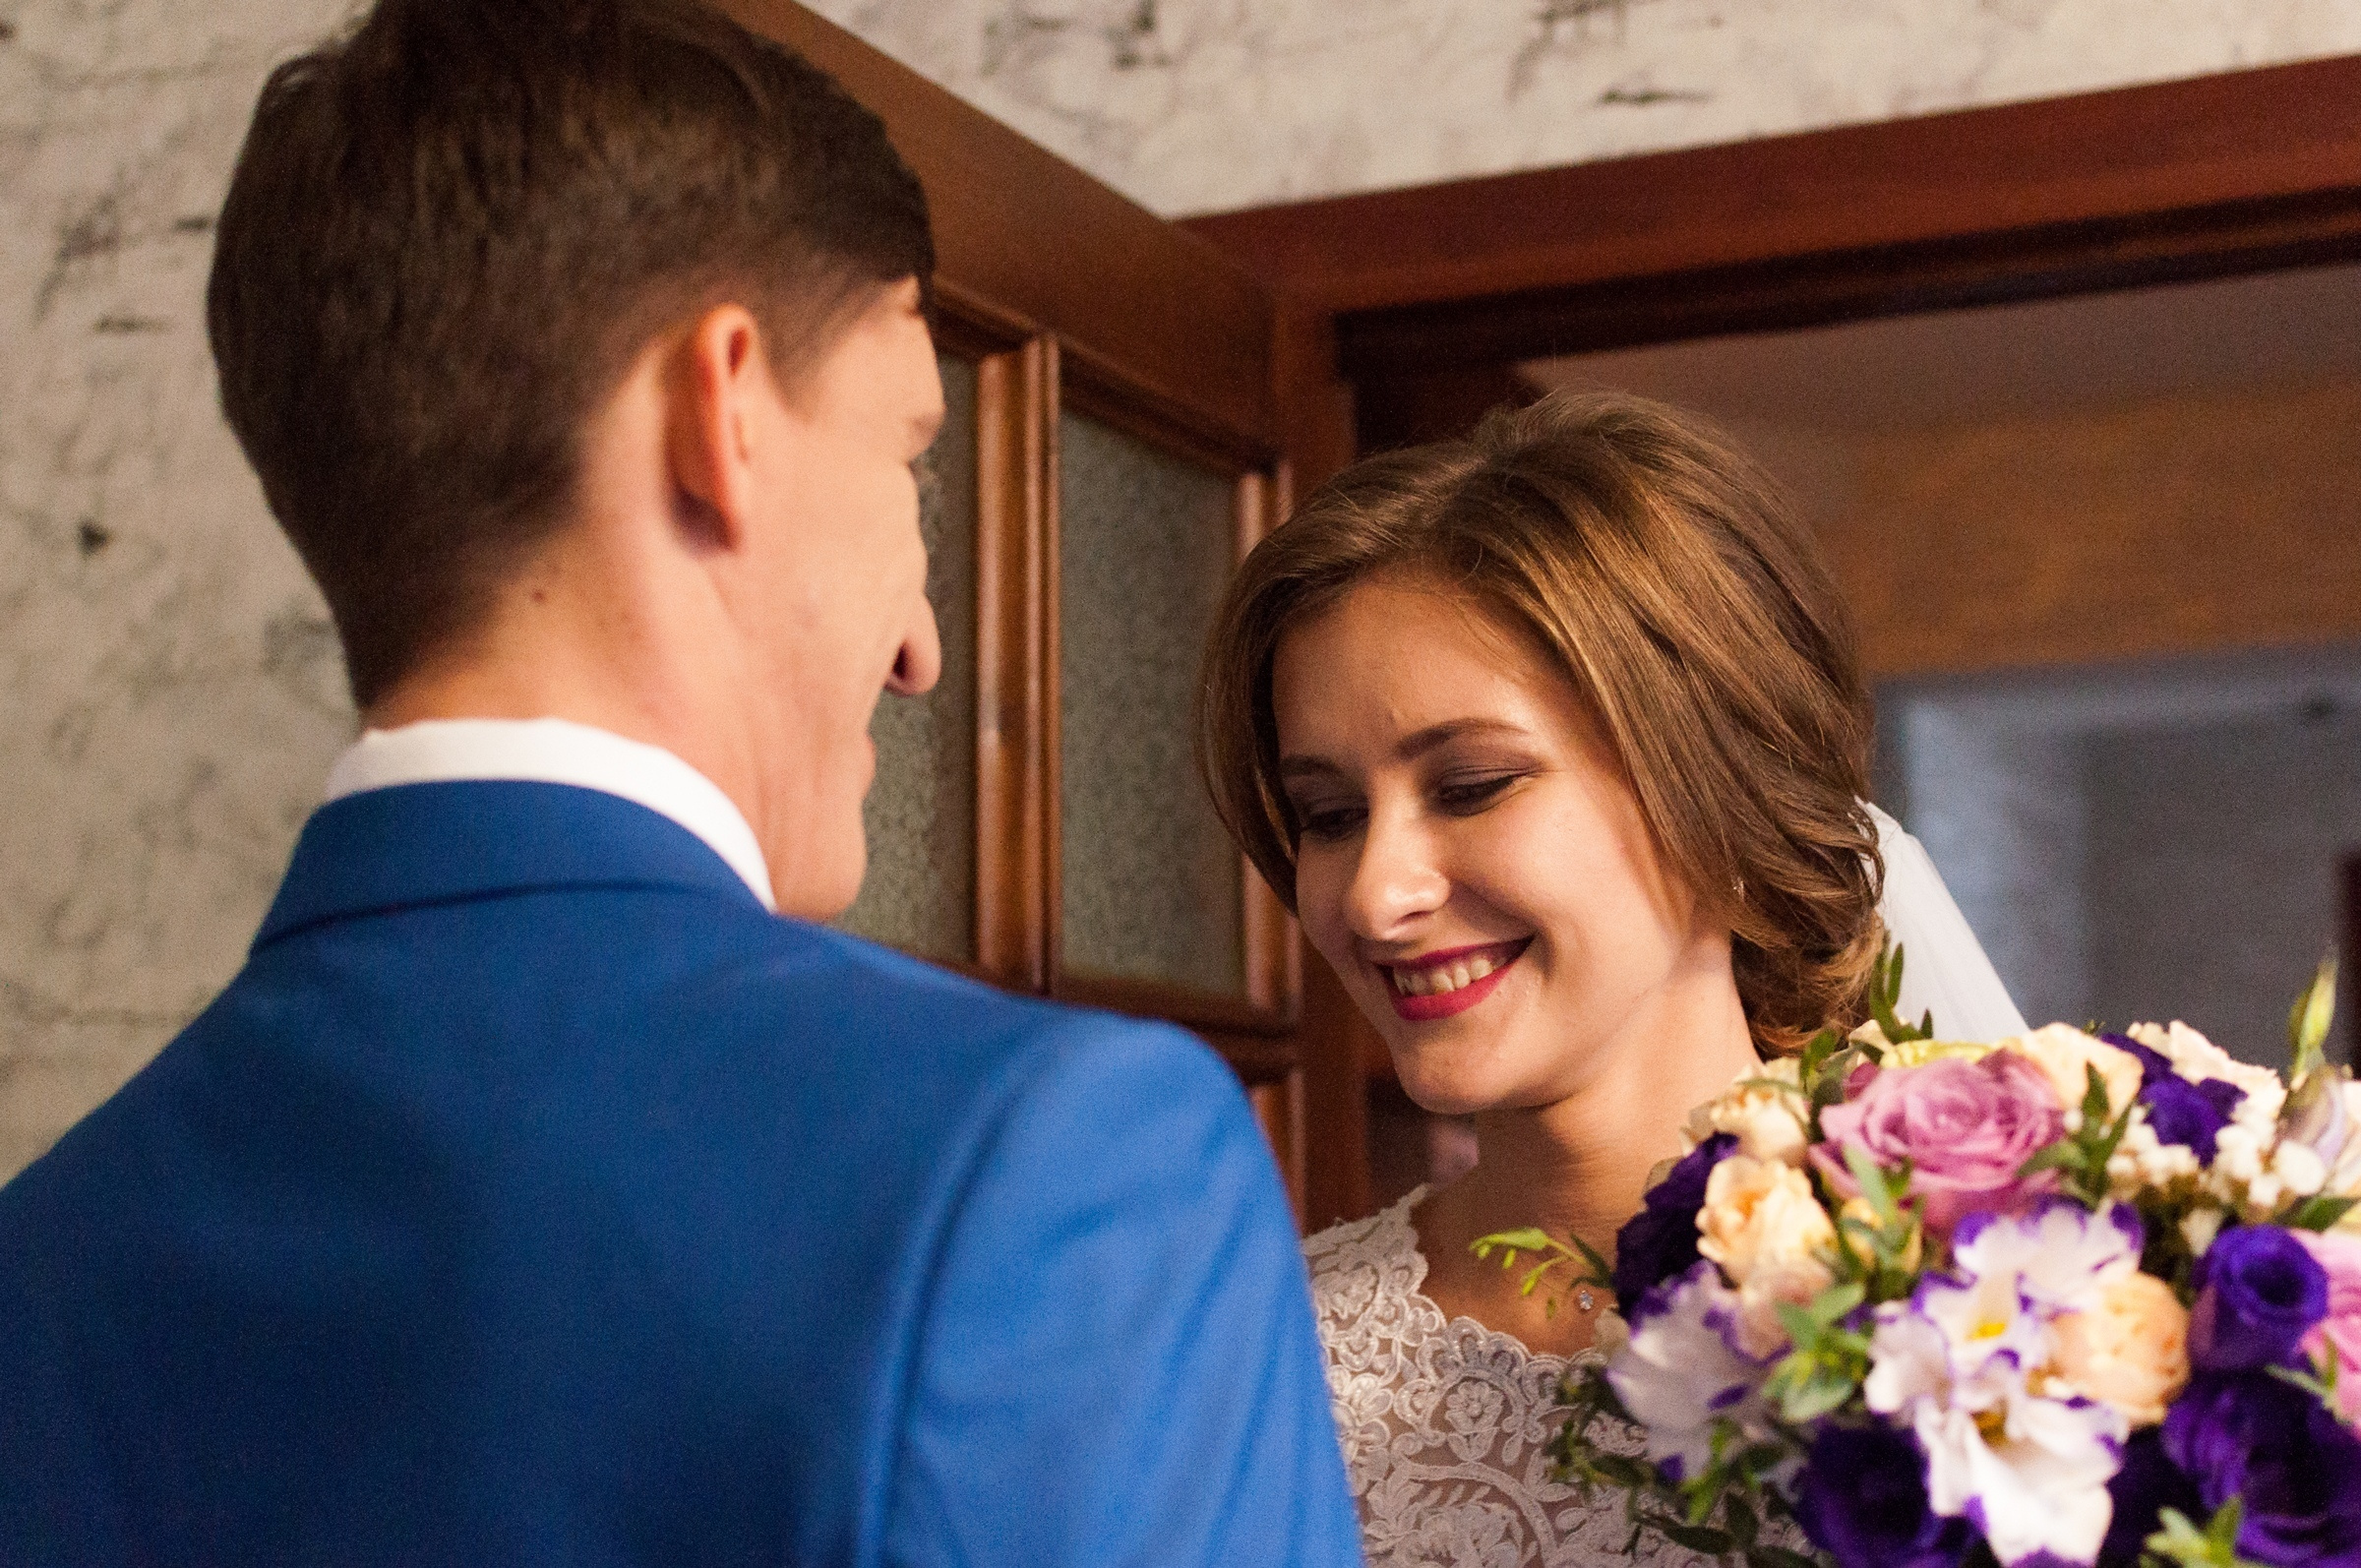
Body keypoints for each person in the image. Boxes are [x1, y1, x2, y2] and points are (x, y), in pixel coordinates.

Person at [0, 3, 1363, 1562]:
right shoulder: (1061, 1171)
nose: (924, 642)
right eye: (911, 452)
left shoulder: (42, 1261)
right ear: (723, 413)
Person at [1195, 391, 2024, 1567]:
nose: (1374, 895)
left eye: (1472, 783)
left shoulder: (2016, 1309)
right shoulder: (1252, 1370)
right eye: (1329, 814)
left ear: (1722, 805)